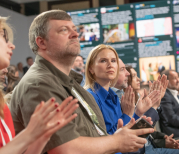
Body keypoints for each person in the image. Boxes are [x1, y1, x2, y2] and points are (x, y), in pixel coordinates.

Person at [10, 10, 154, 154]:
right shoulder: (39, 84)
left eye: (74, 29)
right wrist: (115, 141)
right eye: (64, 30)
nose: (75, 34)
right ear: (42, 42)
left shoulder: (69, 83)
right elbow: (64, 148)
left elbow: (91, 135)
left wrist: (114, 138)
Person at [0, 16, 79, 153]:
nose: (11, 45)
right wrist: (29, 134)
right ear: (41, 42)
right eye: (3, 38)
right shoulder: (36, 83)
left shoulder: (1, 104)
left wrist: (42, 135)